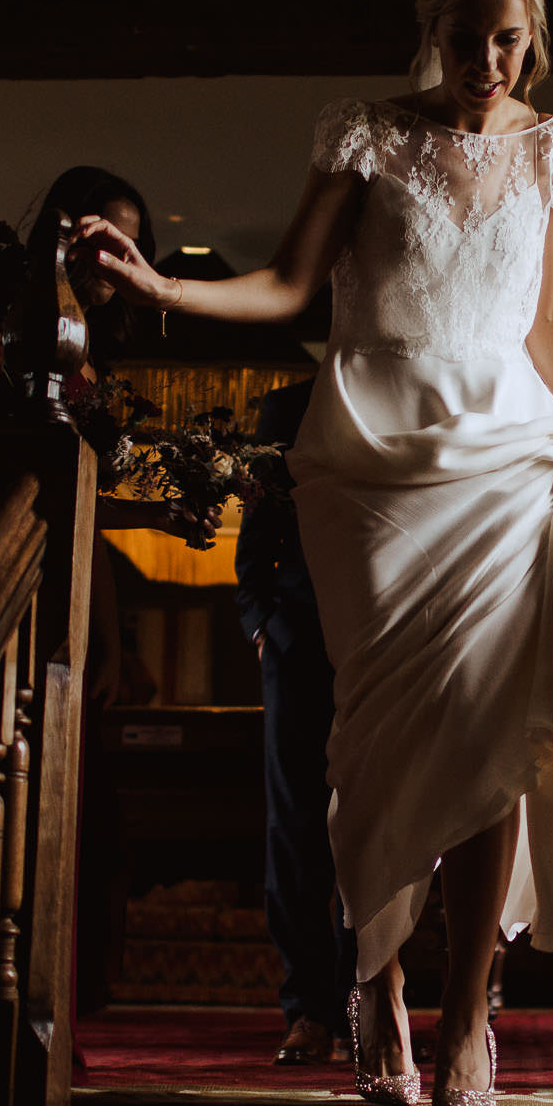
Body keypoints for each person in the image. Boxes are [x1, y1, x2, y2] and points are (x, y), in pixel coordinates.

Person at [77, 0, 553, 1106]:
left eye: (509, 39)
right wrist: (159, 282)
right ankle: (374, 983)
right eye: (467, 35)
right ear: (428, 27)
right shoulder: (365, 136)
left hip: (503, 445)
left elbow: (547, 320)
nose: (487, 60)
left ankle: (471, 1012)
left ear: (531, 40)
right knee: (375, 740)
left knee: (496, 747)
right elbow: (288, 284)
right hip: (368, 453)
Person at [234, 376, 356, 1066]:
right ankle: (309, 1008)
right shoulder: (287, 408)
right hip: (297, 639)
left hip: (389, 639)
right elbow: (257, 537)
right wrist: (262, 623)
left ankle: (366, 1001)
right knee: (298, 828)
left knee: (380, 827)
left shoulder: (417, 388)